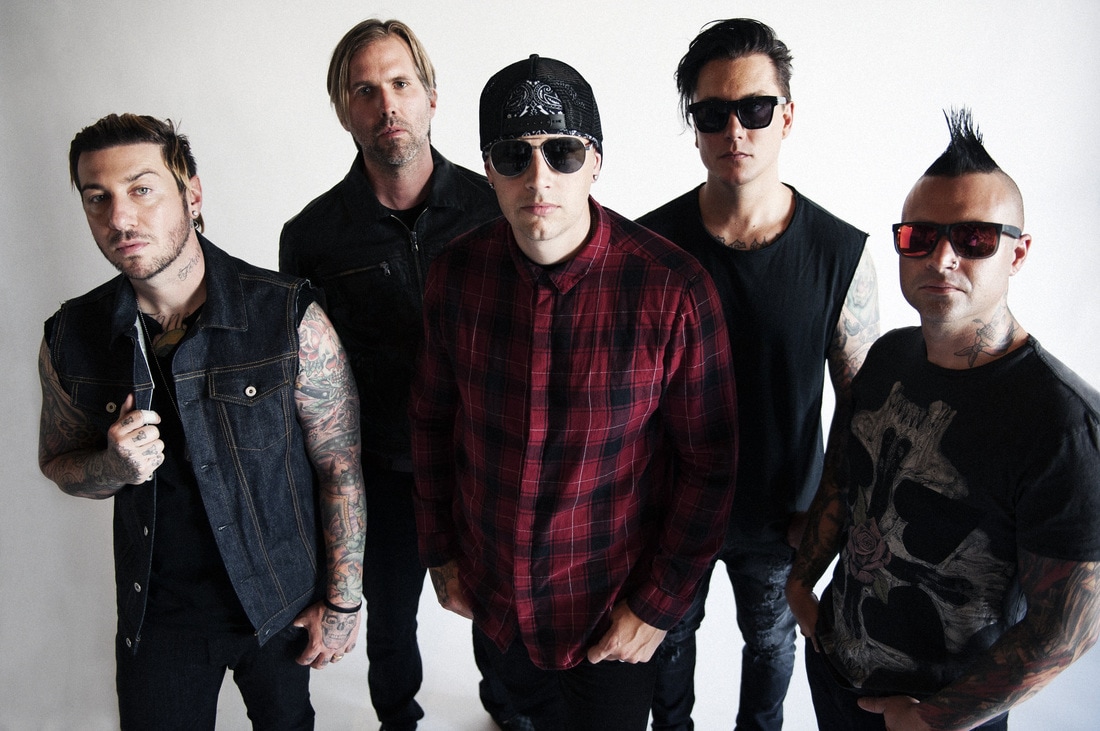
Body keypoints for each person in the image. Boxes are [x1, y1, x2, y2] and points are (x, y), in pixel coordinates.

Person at [409, 54, 740, 730]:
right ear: (487, 169)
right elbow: (432, 421)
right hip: (496, 605)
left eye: (562, 152)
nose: (539, 178)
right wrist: (439, 551)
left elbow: (710, 464)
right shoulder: (455, 276)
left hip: (609, 616)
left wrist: (658, 605)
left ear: (596, 162)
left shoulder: (672, 290)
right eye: (513, 155)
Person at [37, 113, 366, 729]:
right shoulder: (72, 336)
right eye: (97, 197)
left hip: (279, 601)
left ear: (191, 193)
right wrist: (113, 466)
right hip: (159, 619)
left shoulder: (286, 314)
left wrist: (344, 603)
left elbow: (339, 464)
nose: (120, 218)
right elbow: (59, 464)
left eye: (141, 189)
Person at [785, 108, 1100, 730]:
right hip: (838, 669)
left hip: (942, 712)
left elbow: (1069, 627)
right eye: (919, 237)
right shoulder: (888, 356)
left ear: (1018, 253)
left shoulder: (1064, 424)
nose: (943, 257)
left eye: (975, 238)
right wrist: (802, 583)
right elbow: (845, 477)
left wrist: (938, 718)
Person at [637, 18, 880, 730]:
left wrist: (828, 518)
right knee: (667, 646)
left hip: (786, 518)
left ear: (787, 116)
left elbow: (863, 414)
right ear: (694, 126)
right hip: (673, 512)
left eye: (755, 108)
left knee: (772, 646)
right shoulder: (648, 246)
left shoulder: (840, 254)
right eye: (713, 113)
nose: (735, 130)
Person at [278, 19, 513, 731]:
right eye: (365, 90)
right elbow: (308, 385)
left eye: (401, 83)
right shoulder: (312, 236)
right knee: (390, 619)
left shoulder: (494, 204)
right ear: (344, 111)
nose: (387, 105)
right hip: (382, 467)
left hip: (488, 459)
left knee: (499, 604)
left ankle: (508, 710)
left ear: (431, 96)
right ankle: (396, 719)